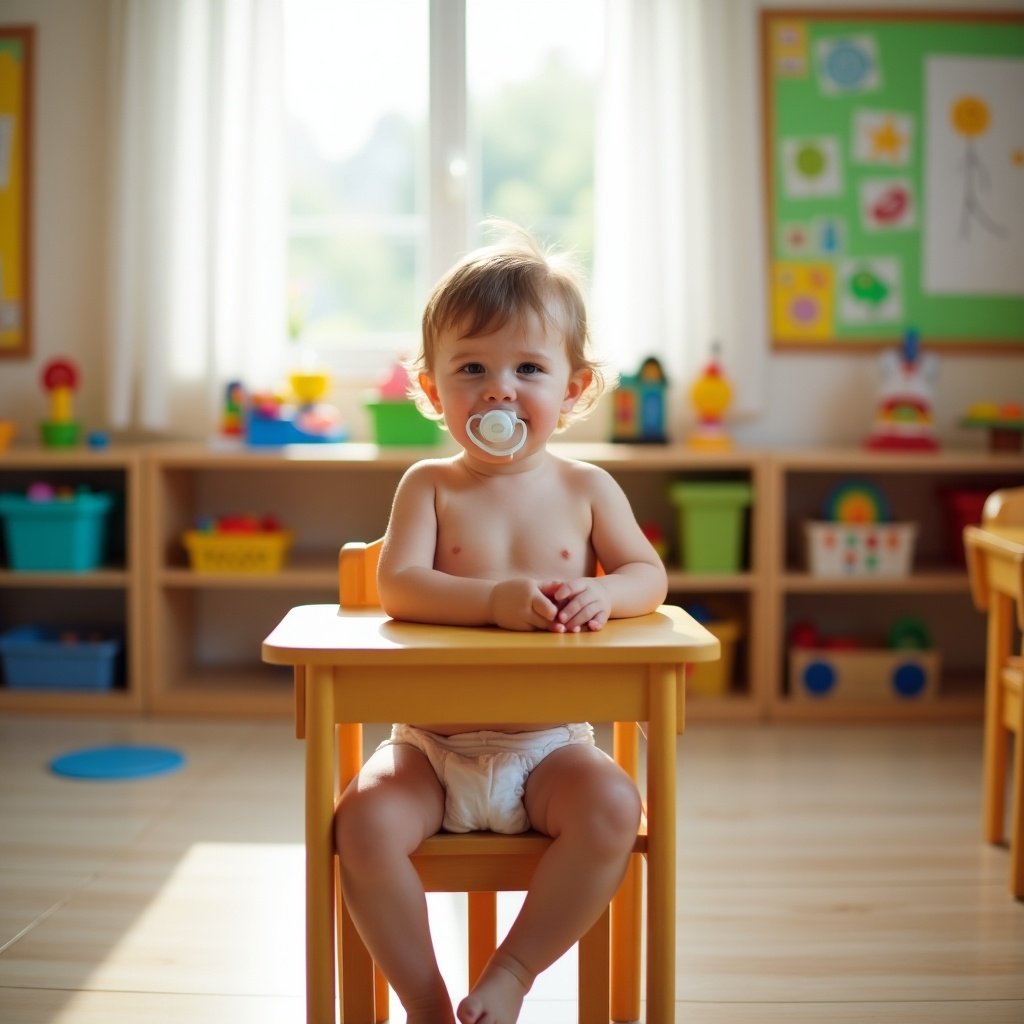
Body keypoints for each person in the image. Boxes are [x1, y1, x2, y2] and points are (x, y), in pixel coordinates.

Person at [334, 225, 668, 1024]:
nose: (498, 391)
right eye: (472, 369)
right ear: (431, 389)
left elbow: (647, 575)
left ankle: (513, 971)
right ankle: (424, 1001)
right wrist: (489, 601)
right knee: (362, 821)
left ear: (575, 388)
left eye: (528, 368)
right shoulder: (429, 485)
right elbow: (399, 585)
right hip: (429, 749)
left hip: (547, 748)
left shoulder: (589, 488)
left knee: (616, 808)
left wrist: (607, 597)